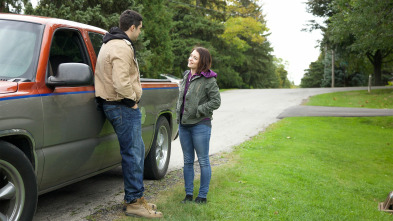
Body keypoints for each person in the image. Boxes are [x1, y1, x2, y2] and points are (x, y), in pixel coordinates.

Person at [94, 9, 163, 218]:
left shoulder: (110, 42)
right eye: (140, 28)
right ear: (132, 27)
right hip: (121, 105)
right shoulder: (121, 47)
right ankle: (133, 202)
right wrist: (131, 101)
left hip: (117, 104)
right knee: (133, 154)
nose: (140, 33)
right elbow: (121, 80)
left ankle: (137, 197)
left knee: (137, 150)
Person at [176, 47, 221, 204]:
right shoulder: (186, 75)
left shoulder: (209, 79)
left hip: (200, 124)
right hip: (184, 125)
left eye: (194, 58)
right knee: (187, 160)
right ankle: (188, 195)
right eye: (190, 56)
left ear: (202, 61)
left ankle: (202, 196)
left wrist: (199, 110)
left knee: (203, 160)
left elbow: (216, 101)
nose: (190, 59)